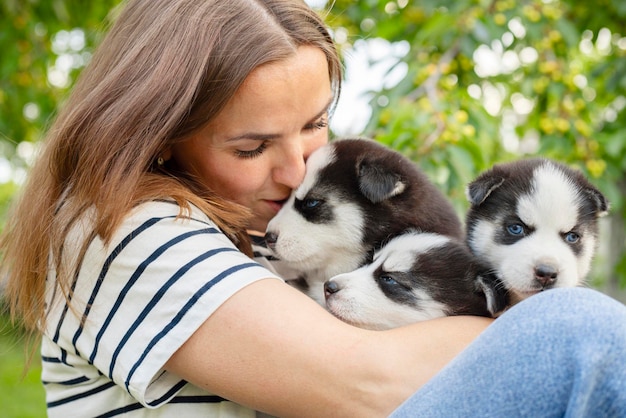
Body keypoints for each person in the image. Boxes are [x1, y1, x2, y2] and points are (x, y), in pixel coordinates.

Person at [1, 0, 625, 417]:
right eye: (252, 146)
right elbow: (364, 384)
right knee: (577, 331)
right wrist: (533, 321)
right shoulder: (122, 229)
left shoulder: (250, 230)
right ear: (159, 133)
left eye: (314, 124)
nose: (297, 170)